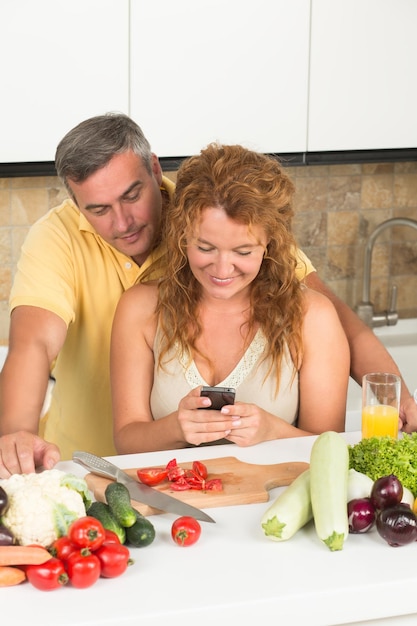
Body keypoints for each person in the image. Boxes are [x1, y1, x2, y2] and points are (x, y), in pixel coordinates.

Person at [0, 113, 415, 476]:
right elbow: (33, 344)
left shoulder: (223, 213)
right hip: (86, 459)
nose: (123, 221)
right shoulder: (59, 239)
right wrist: (17, 434)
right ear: (76, 205)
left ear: (154, 169)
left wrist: (400, 399)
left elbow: (333, 322)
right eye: (98, 209)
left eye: (132, 195)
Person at [110, 143, 351, 452]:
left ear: (270, 244)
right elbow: (126, 443)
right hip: (167, 499)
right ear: (182, 236)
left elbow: (332, 451)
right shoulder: (140, 308)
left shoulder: (313, 317)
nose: (222, 269)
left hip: (274, 497)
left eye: (243, 251)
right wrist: (174, 427)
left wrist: (272, 431)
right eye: (206, 248)